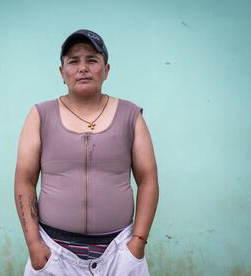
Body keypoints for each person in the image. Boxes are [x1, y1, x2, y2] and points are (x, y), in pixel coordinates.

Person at [14, 29, 159, 275]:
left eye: (92, 60)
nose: (83, 68)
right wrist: (33, 244)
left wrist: (137, 244)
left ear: (106, 69)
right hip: (54, 252)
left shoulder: (130, 115)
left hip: (118, 251)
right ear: (62, 72)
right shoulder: (41, 115)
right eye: (73, 61)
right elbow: (24, 181)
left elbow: (148, 180)